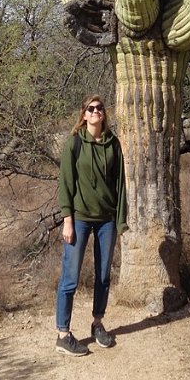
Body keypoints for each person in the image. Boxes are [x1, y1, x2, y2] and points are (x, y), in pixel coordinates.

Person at [55, 94, 128, 356]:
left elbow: (120, 184)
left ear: (104, 114)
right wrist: (68, 221)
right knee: (70, 277)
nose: (96, 111)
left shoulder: (113, 144)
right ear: (84, 114)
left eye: (99, 108)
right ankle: (63, 333)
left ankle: (98, 323)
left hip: (106, 220)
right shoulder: (74, 144)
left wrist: (120, 219)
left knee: (103, 276)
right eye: (91, 108)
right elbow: (66, 183)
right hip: (80, 219)